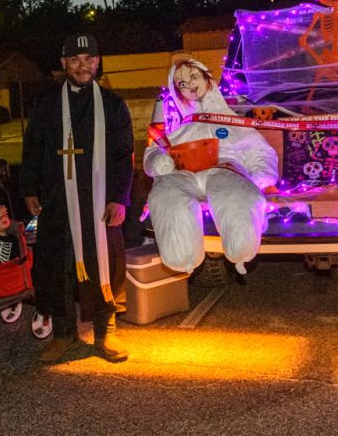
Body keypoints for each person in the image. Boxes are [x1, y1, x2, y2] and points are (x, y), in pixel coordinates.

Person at [20, 34, 134, 363]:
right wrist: (29, 189)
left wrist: (119, 198)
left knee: (104, 263)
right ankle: (63, 334)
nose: (82, 65)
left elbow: (123, 155)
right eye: (74, 60)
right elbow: (32, 149)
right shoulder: (46, 105)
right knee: (58, 266)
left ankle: (105, 332)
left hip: (100, 203)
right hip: (57, 200)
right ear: (63, 63)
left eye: (88, 59)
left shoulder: (112, 105)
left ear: (97, 62)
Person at [143, 58, 279, 274]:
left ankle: (241, 245)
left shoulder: (231, 122)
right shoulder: (180, 128)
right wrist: (159, 162)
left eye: (193, 77)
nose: (189, 85)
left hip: (223, 168)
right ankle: (182, 254)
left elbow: (260, 150)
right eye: (182, 84)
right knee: (167, 192)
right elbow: (154, 150)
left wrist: (258, 177)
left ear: (208, 79)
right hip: (184, 172)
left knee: (235, 193)